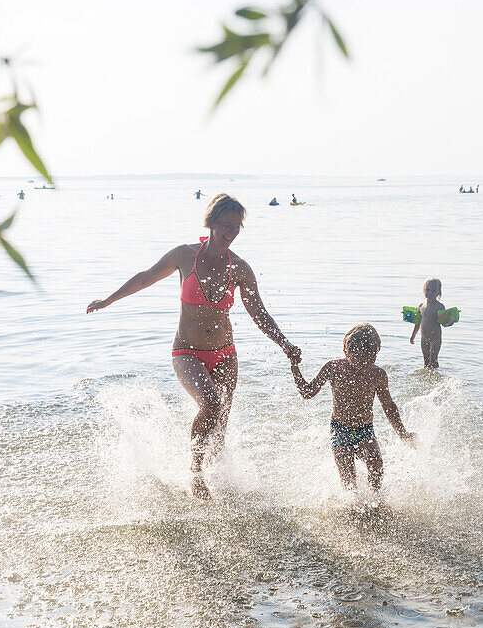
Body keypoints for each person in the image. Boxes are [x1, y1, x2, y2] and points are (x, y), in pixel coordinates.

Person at [86, 192, 300, 499]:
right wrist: (107, 301)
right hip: (186, 351)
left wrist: (284, 343)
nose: (231, 232)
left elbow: (259, 313)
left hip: (226, 354)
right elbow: (146, 278)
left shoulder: (239, 268)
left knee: (221, 423)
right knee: (211, 404)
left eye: (236, 226)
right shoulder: (184, 256)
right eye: (226, 224)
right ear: (211, 223)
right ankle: (196, 476)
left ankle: (223, 483)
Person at [290, 323, 414, 492]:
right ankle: (351, 507)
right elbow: (307, 392)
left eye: (370, 358)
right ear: (346, 352)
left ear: (377, 354)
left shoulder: (378, 374)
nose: (365, 363)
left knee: (376, 463)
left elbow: (389, 407)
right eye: (359, 358)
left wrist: (402, 433)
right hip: (340, 430)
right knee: (348, 478)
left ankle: (376, 503)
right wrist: (295, 367)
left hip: (365, 429)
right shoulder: (333, 368)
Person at [409, 277, 446, 369]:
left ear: (438, 293)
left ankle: (436, 375)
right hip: (424, 338)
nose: (430, 293)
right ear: (423, 290)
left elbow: (444, 323)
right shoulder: (421, 306)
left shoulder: (439, 306)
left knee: (433, 360)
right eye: (427, 290)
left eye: (433, 291)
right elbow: (417, 323)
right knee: (426, 362)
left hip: (435, 339)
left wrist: (451, 320)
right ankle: (427, 380)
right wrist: (413, 335)